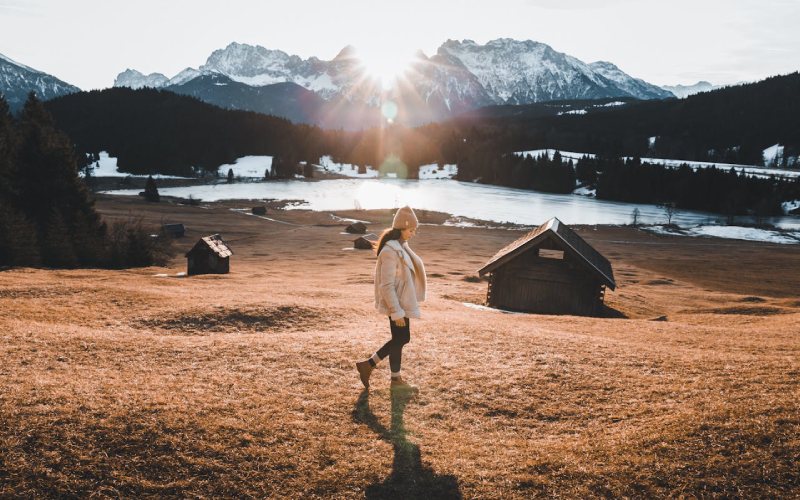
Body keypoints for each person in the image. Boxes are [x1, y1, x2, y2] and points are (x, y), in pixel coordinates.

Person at [356, 206, 426, 392]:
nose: (413, 233)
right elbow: (386, 285)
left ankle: (381, 372)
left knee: (400, 338)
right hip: (396, 304)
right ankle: (372, 367)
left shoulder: (401, 247)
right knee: (402, 338)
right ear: (402, 227)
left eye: (414, 230)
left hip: (401, 303)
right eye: (411, 230)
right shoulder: (390, 251)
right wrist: (396, 312)